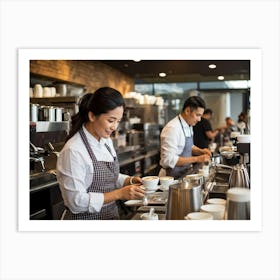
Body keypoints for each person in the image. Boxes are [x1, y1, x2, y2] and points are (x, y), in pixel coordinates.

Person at [56, 87, 145, 220]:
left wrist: (129, 181)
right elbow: (75, 202)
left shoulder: (105, 140)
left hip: (110, 216)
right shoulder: (73, 151)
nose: (114, 127)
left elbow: (109, 176)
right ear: (92, 116)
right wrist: (119, 194)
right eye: (111, 120)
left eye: (118, 121)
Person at [159, 95, 211, 180]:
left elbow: (187, 146)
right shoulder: (172, 128)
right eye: (197, 115)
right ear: (187, 111)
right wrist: (197, 158)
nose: (199, 119)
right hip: (171, 179)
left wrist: (201, 151)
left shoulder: (188, 125)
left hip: (184, 175)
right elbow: (168, 160)